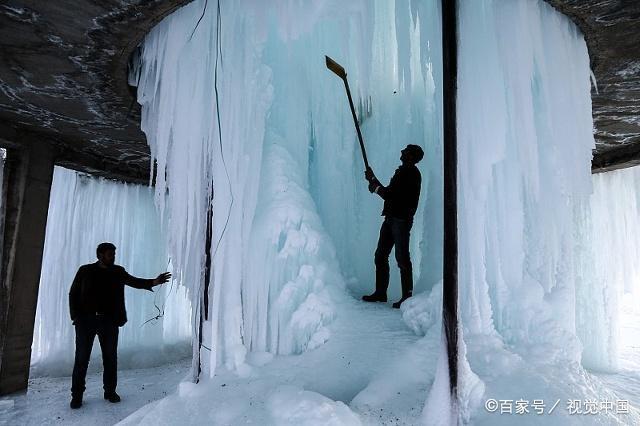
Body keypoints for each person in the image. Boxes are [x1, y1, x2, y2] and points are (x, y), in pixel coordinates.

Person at [68, 242, 171, 409]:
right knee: (81, 359)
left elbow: (134, 281)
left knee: (110, 359)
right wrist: (76, 317)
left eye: (114, 254)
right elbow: (73, 293)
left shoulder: (117, 271)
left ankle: (110, 392)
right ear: (100, 255)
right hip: (86, 322)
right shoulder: (85, 270)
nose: (113, 257)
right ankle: (77, 396)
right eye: (110, 254)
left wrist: (154, 281)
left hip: (109, 322)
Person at [362, 144, 423, 309]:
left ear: (410, 156)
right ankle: (381, 292)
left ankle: (407, 297)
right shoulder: (404, 172)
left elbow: (391, 195)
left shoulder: (410, 174)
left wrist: (375, 187)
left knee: (402, 258)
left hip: (400, 221)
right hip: (392, 218)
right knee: (380, 255)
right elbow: (390, 192)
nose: (402, 151)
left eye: (406, 151)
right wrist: (374, 180)